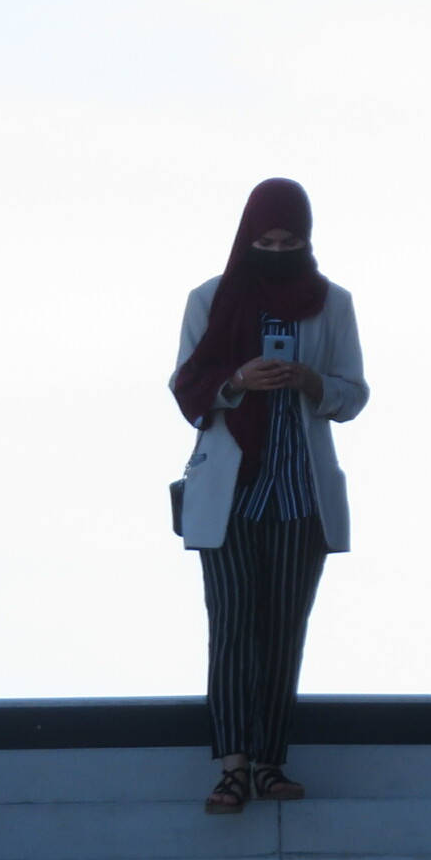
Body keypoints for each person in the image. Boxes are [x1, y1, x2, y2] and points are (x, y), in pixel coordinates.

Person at [171, 179, 367, 813]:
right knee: (232, 626)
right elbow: (185, 385)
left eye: (289, 243)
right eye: (266, 242)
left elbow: (354, 394)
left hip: (299, 494)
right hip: (229, 494)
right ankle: (232, 766)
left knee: (284, 629)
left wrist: (311, 382)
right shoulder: (211, 298)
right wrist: (237, 380)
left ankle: (269, 762)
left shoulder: (332, 304)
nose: (277, 252)